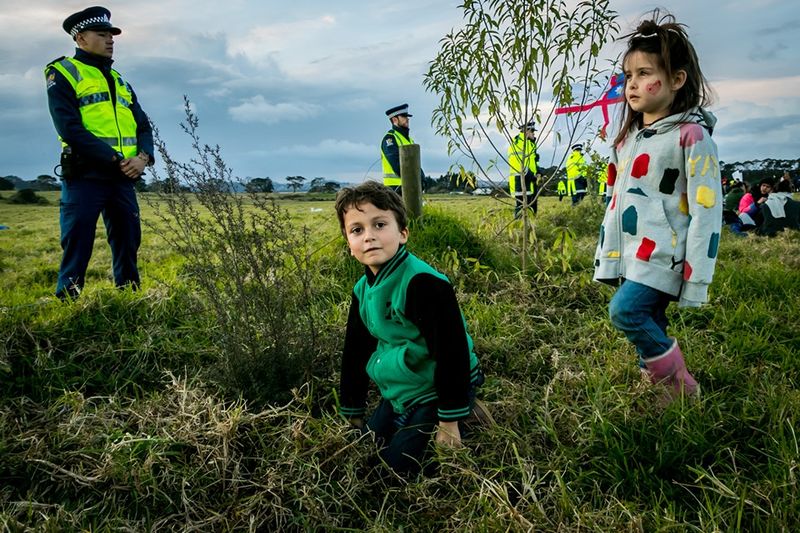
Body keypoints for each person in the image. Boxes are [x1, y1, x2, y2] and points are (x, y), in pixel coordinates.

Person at [593, 11, 722, 403]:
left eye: (643, 74)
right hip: (632, 251)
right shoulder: (628, 138)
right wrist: (609, 253)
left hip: (664, 253)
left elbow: (707, 209)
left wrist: (696, 274)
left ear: (676, 80)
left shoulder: (691, 136)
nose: (632, 85)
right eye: (628, 76)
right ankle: (656, 387)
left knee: (626, 313)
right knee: (650, 320)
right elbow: (617, 199)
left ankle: (680, 386)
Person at [335, 181, 485, 476]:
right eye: (357, 230)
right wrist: (352, 409)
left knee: (398, 468)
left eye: (379, 224)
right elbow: (355, 349)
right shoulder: (363, 289)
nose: (369, 237)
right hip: (403, 388)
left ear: (402, 233)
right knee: (364, 444)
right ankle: (407, 416)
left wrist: (449, 421)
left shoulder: (424, 284)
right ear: (350, 246)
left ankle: (466, 410)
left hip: (437, 388)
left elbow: (452, 352)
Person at [45, 6, 153, 300]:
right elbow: (70, 129)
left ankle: (129, 299)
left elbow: (143, 125)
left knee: (128, 240)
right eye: (101, 34)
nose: (110, 40)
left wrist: (143, 159)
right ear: (80, 38)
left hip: (123, 178)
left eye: (111, 35)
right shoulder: (63, 73)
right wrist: (119, 160)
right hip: (85, 175)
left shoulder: (121, 81)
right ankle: (67, 304)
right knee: (78, 242)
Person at [380, 104, 424, 195]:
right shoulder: (390, 139)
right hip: (395, 190)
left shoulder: (410, 140)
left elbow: (415, 164)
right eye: (403, 116)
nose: (407, 119)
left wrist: (422, 178)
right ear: (395, 120)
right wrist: (416, 180)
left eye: (407, 116)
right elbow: (397, 164)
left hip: (410, 187)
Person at [507, 120, 540, 218]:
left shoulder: (530, 144)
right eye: (532, 131)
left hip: (530, 180)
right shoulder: (517, 144)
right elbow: (517, 164)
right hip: (520, 181)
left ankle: (531, 229)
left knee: (531, 208)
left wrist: (539, 172)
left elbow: (532, 163)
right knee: (521, 208)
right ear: (526, 132)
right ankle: (519, 229)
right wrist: (530, 174)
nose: (534, 134)